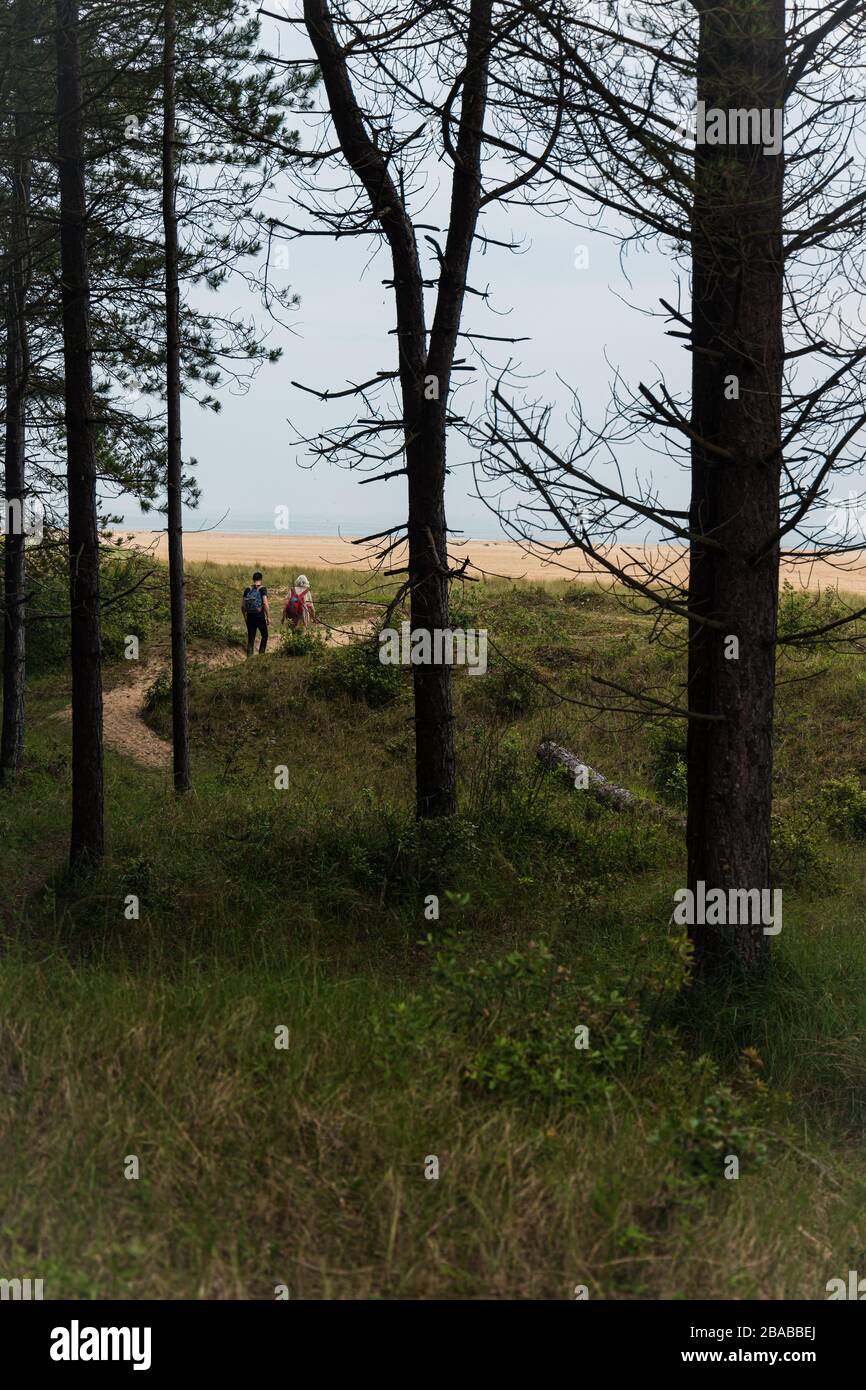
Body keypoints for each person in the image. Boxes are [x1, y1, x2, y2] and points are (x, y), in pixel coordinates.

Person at [242, 571, 270, 656]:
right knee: (265, 635)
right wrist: (268, 616)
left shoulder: (247, 589)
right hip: (259, 616)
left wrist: (245, 617)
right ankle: (261, 655)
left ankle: (249, 658)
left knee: (251, 638)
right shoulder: (262, 589)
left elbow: (242, 606)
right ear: (261, 579)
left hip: (250, 616)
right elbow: (265, 603)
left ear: (253, 579)